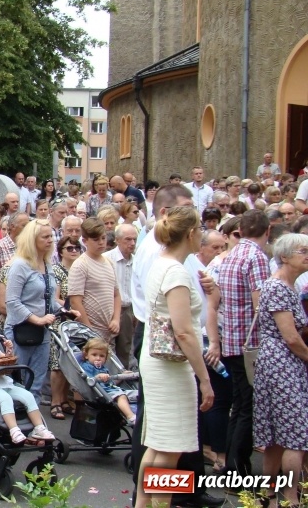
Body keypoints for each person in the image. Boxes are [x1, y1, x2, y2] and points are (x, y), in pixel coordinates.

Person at [134, 206, 214, 508]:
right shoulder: (176, 271)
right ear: (191, 234)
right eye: (202, 231)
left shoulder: (161, 262)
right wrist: (204, 379)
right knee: (170, 446)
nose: (203, 236)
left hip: (156, 361)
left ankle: (143, 504)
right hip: (170, 366)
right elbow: (183, 331)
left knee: (158, 443)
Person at [252, 233, 308, 506]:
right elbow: (291, 337)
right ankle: (290, 497)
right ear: (284, 256)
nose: (307, 255)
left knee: (276, 434)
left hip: (283, 361)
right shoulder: (276, 287)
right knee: (294, 435)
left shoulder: (290, 285)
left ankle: (269, 494)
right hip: (281, 362)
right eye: (302, 251)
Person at [216, 209, 270, 480]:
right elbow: (261, 304)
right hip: (250, 342)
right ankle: (237, 470)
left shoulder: (233, 254)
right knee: (247, 407)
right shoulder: (256, 256)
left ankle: (231, 466)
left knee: (239, 405)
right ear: (267, 231)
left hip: (232, 338)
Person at [4, 219, 70, 401]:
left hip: (43, 332)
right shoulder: (20, 265)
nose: (51, 240)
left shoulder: (47, 264)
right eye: (45, 237)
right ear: (32, 240)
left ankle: (34, 422)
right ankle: (14, 422)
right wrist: (36, 319)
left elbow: (48, 298)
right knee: (17, 379)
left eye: (51, 236)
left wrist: (64, 310)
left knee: (37, 381)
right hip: (20, 330)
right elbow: (11, 301)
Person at [68, 218, 121, 347]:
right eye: (96, 240)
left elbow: (116, 294)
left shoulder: (109, 262)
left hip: (108, 330)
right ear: (85, 241)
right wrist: (90, 330)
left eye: (103, 238)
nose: (101, 243)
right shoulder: (81, 264)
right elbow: (75, 301)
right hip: (90, 333)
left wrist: (116, 319)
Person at [48, 235, 81, 419]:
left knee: (71, 362)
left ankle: (64, 400)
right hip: (60, 320)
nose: (74, 250)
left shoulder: (79, 269)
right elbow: (55, 297)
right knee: (57, 363)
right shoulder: (56, 271)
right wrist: (70, 306)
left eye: (77, 247)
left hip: (76, 322)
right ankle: (55, 402)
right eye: (70, 248)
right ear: (61, 251)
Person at [80, 337, 135, 425]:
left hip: (114, 390)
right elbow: (89, 380)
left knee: (139, 394)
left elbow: (111, 383)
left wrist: (123, 375)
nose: (98, 358)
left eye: (102, 356)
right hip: (103, 394)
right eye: (94, 355)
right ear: (86, 355)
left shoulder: (103, 368)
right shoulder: (87, 367)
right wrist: (98, 376)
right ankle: (131, 417)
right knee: (121, 397)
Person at [105, 224, 138, 369]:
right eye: (128, 239)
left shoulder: (137, 261)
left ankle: (124, 381)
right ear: (117, 240)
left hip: (130, 309)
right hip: (110, 308)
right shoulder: (107, 259)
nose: (132, 243)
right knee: (107, 347)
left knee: (125, 348)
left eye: (134, 240)